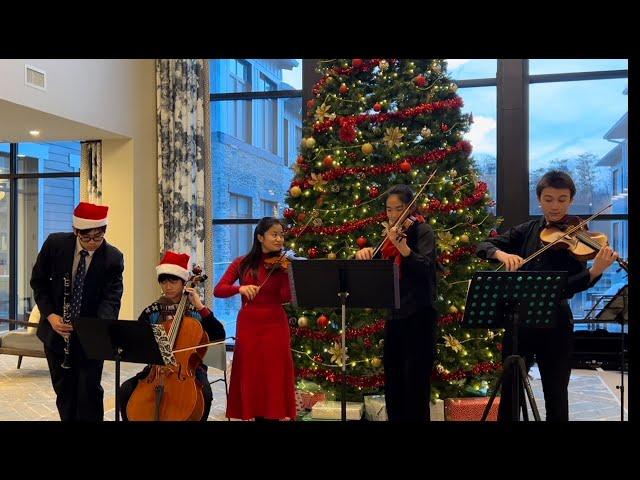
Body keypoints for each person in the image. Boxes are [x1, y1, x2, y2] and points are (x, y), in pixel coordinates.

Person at [476, 170, 619, 421]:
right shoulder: (526, 230)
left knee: (556, 393)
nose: (555, 206)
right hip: (519, 321)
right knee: (510, 393)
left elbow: (571, 285)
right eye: (549, 199)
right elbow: (483, 245)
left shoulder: (579, 237)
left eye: (562, 199)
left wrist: (595, 271)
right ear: (539, 199)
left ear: (571, 200)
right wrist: (501, 255)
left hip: (556, 322)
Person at [30, 201, 124, 421]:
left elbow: (111, 299)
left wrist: (93, 329)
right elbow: (38, 282)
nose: (92, 243)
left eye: (98, 237)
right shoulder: (55, 244)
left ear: (104, 232)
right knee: (65, 392)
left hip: (90, 336)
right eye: (86, 238)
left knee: (90, 391)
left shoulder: (113, 257)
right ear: (75, 231)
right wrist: (51, 316)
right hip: (55, 333)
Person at [355, 185, 438, 422]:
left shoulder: (423, 231)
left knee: (416, 384)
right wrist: (368, 252)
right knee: (393, 383)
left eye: (399, 209)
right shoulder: (388, 236)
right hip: (395, 315)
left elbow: (425, 269)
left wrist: (403, 247)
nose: (393, 215)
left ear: (411, 208)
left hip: (420, 315)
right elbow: (383, 269)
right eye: (389, 210)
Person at [119, 251, 225, 421]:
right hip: (156, 369)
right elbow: (137, 339)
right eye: (163, 281)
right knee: (125, 390)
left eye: (173, 281)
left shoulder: (195, 310)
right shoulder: (152, 310)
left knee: (204, 393)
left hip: (190, 369)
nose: (167, 286)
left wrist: (199, 305)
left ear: (184, 282)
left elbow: (218, 335)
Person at [214, 217, 297, 421]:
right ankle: (253, 414)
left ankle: (273, 415)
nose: (279, 239)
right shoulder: (241, 263)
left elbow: (285, 297)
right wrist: (240, 288)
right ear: (260, 237)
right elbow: (219, 290)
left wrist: (288, 274)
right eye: (274, 234)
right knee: (252, 373)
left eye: (281, 235)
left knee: (274, 373)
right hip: (249, 324)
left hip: (275, 323)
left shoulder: (283, 265)